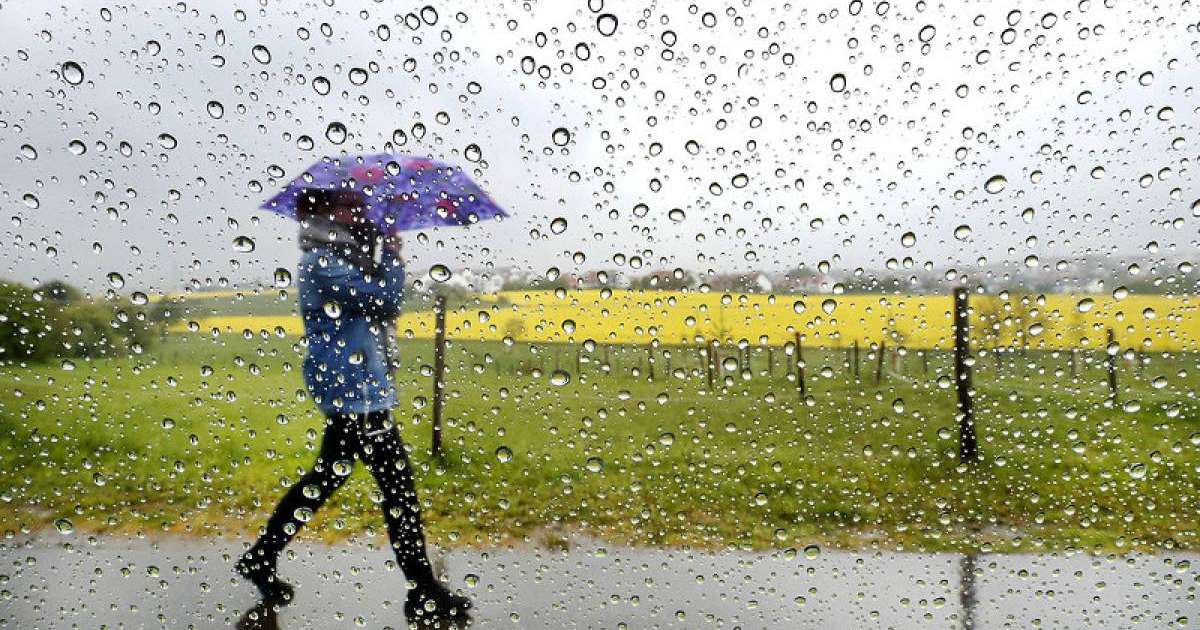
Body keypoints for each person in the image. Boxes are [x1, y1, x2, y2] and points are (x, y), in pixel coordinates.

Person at [236, 188, 472, 627]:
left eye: (362, 205)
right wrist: (393, 255)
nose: (362, 211)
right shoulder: (322, 262)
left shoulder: (343, 256)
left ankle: (261, 557)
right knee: (398, 490)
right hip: (353, 390)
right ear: (325, 213)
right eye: (351, 205)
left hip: (359, 385)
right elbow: (385, 301)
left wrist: (380, 250)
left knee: (327, 477)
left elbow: (373, 306)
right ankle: (423, 590)